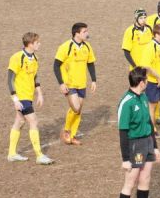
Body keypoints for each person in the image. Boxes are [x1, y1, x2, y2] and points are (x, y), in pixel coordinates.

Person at [116, 67, 160, 198]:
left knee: (146, 178)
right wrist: (125, 159)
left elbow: (149, 123)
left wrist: (155, 147)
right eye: (146, 80)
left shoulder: (143, 96)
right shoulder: (126, 102)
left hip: (147, 142)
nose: (148, 82)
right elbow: (123, 132)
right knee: (130, 181)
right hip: (134, 145)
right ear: (141, 82)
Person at [6, 32, 54, 165]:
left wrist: (40, 93)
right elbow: (10, 80)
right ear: (30, 44)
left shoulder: (34, 58)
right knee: (33, 121)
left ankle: (11, 153)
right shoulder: (17, 57)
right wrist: (15, 100)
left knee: (20, 122)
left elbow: (35, 77)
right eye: (37, 42)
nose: (40, 44)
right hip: (21, 97)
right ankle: (39, 155)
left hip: (29, 95)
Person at [54, 22, 97, 146]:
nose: (87, 34)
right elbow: (56, 65)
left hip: (81, 83)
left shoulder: (87, 47)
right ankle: (67, 130)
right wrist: (61, 83)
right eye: (84, 32)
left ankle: (72, 136)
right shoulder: (65, 46)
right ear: (76, 33)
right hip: (69, 83)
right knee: (76, 107)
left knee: (78, 111)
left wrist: (93, 80)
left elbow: (90, 63)